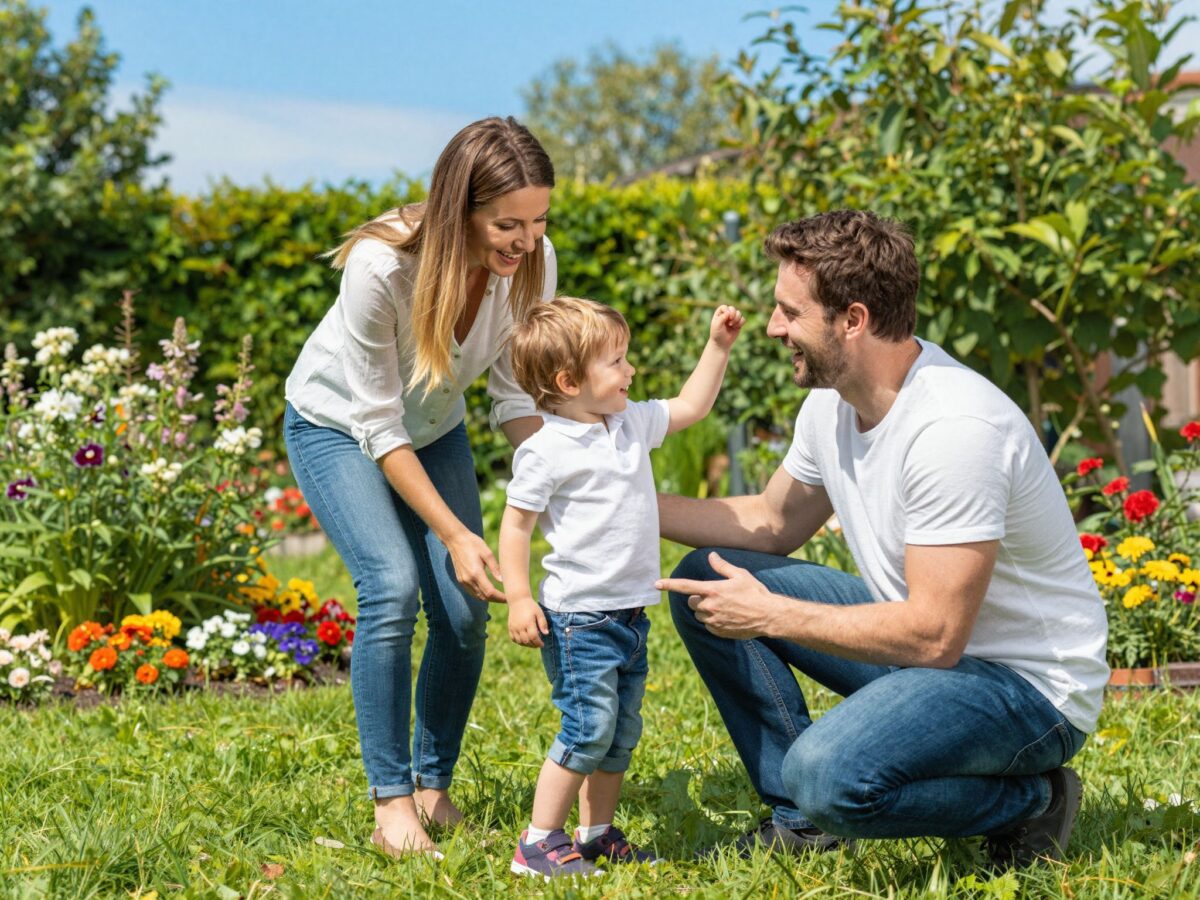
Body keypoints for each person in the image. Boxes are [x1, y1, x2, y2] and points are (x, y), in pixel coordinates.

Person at [655, 210, 1109, 867]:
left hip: (1027, 690)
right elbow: (772, 522)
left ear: (854, 319)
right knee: (709, 575)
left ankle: (1031, 801)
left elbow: (933, 634)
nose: (774, 327)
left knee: (827, 775)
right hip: (933, 659)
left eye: (789, 311)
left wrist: (773, 614)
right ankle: (802, 819)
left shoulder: (954, 428)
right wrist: (627, 504)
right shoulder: (832, 406)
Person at [283, 116, 556, 857]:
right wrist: (456, 533)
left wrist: (567, 491)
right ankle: (391, 803)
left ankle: (433, 791)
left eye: (538, 221)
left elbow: (514, 399)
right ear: (457, 208)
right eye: (507, 223)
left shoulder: (532, 264)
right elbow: (376, 425)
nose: (526, 241)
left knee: (466, 612)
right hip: (336, 426)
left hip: (433, 429)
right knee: (392, 585)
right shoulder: (380, 267)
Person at [499, 297, 745, 878]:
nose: (629, 371)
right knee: (586, 732)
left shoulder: (629, 422)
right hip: (580, 620)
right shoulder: (545, 449)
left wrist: (718, 347)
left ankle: (596, 833)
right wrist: (517, 595)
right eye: (616, 361)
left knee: (619, 734)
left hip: (630, 617)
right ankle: (538, 842)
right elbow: (516, 526)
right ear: (568, 381)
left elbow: (691, 405)